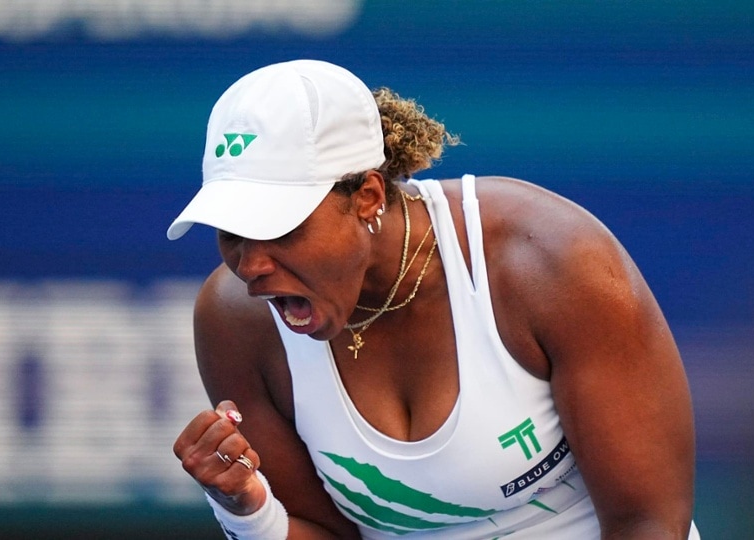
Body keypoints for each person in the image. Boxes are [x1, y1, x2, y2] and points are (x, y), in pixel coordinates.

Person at [168, 59, 700, 539]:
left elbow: (648, 523)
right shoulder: (235, 319)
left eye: (279, 228)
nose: (251, 266)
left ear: (368, 196)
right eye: (231, 232)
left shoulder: (547, 259)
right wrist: (246, 509)